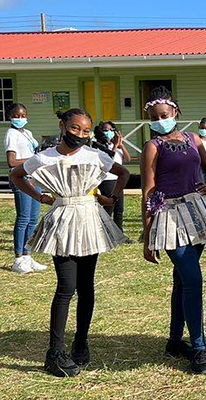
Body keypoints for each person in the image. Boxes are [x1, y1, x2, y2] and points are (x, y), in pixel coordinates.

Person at [10, 108, 129, 377]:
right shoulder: (44, 157)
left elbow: (122, 173)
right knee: (66, 287)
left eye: (86, 131)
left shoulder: (95, 155)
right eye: (75, 128)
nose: (81, 135)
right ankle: (55, 352)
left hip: (88, 221)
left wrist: (111, 198)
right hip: (62, 221)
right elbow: (16, 175)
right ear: (63, 126)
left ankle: (81, 343)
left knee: (86, 286)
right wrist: (40, 197)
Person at [141, 87, 206, 375]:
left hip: (196, 212)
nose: (160, 120)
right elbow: (148, 189)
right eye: (154, 117)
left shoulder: (194, 139)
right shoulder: (152, 146)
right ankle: (199, 348)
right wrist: (148, 235)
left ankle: (175, 341)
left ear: (175, 112)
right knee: (192, 278)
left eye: (164, 115)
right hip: (168, 217)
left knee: (182, 279)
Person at [4, 102, 45, 273]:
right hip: (21, 178)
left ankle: (28, 254)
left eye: (23, 115)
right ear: (10, 116)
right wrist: (33, 159)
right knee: (23, 218)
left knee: (33, 219)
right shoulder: (11, 134)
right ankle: (18, 258)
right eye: (17, 115)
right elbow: (12, 161)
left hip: (34, 178)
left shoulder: (27, 133)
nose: (20, 118)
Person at [92, 120, 131, 231]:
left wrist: (121, 145)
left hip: (118, 180)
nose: (109, 132)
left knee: (119, 208)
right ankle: (105, 231)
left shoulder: (117, 146)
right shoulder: (99, 146)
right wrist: (114, 146)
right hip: (107, 179)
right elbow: (109, 160)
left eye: (111, 130)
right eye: (105, 130)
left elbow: (127, 159)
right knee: (109, 206)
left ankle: (119, 231)